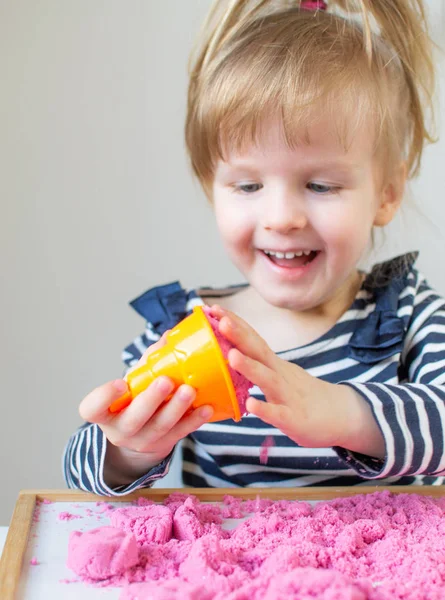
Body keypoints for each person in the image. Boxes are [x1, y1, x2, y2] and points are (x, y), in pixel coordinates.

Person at [63, 0, 444, 495]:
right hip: (230, 568)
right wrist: (129, 450)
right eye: (247, 187)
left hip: (384, 570)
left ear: (387, 193)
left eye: (322, 185)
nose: (282, 218)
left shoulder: (406, 316)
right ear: (211, 188)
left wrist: (343, 413)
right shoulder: (183, 331)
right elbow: (80, 472)